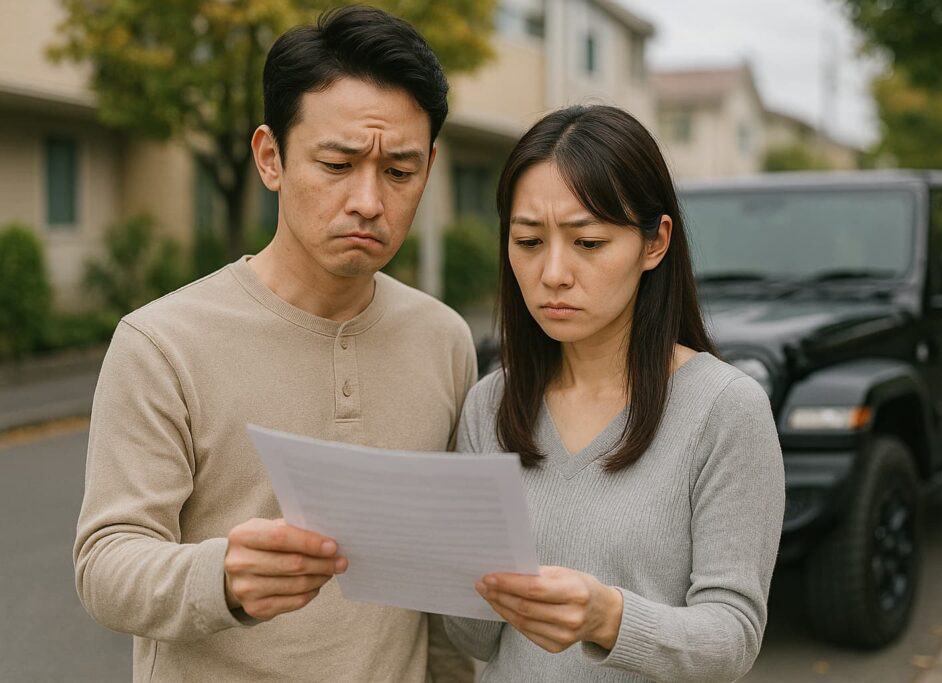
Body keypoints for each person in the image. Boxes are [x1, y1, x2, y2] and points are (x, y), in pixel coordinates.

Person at [73, 6, 476, 681]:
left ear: (429, 168)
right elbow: (105, 563)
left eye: (399, 172)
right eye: (339, 163)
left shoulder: (443, 339)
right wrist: (221, 578)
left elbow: (433, 587)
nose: (369, 200)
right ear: (270, 158)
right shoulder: (162, 342)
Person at [443, 104, 785, 682]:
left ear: (655, 244)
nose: (553, 272)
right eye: (528, 241)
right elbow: (472, 635)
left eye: (590, 243)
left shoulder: (724, 410)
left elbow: (733, 636)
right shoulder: (488, 406)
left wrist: (609, 618)